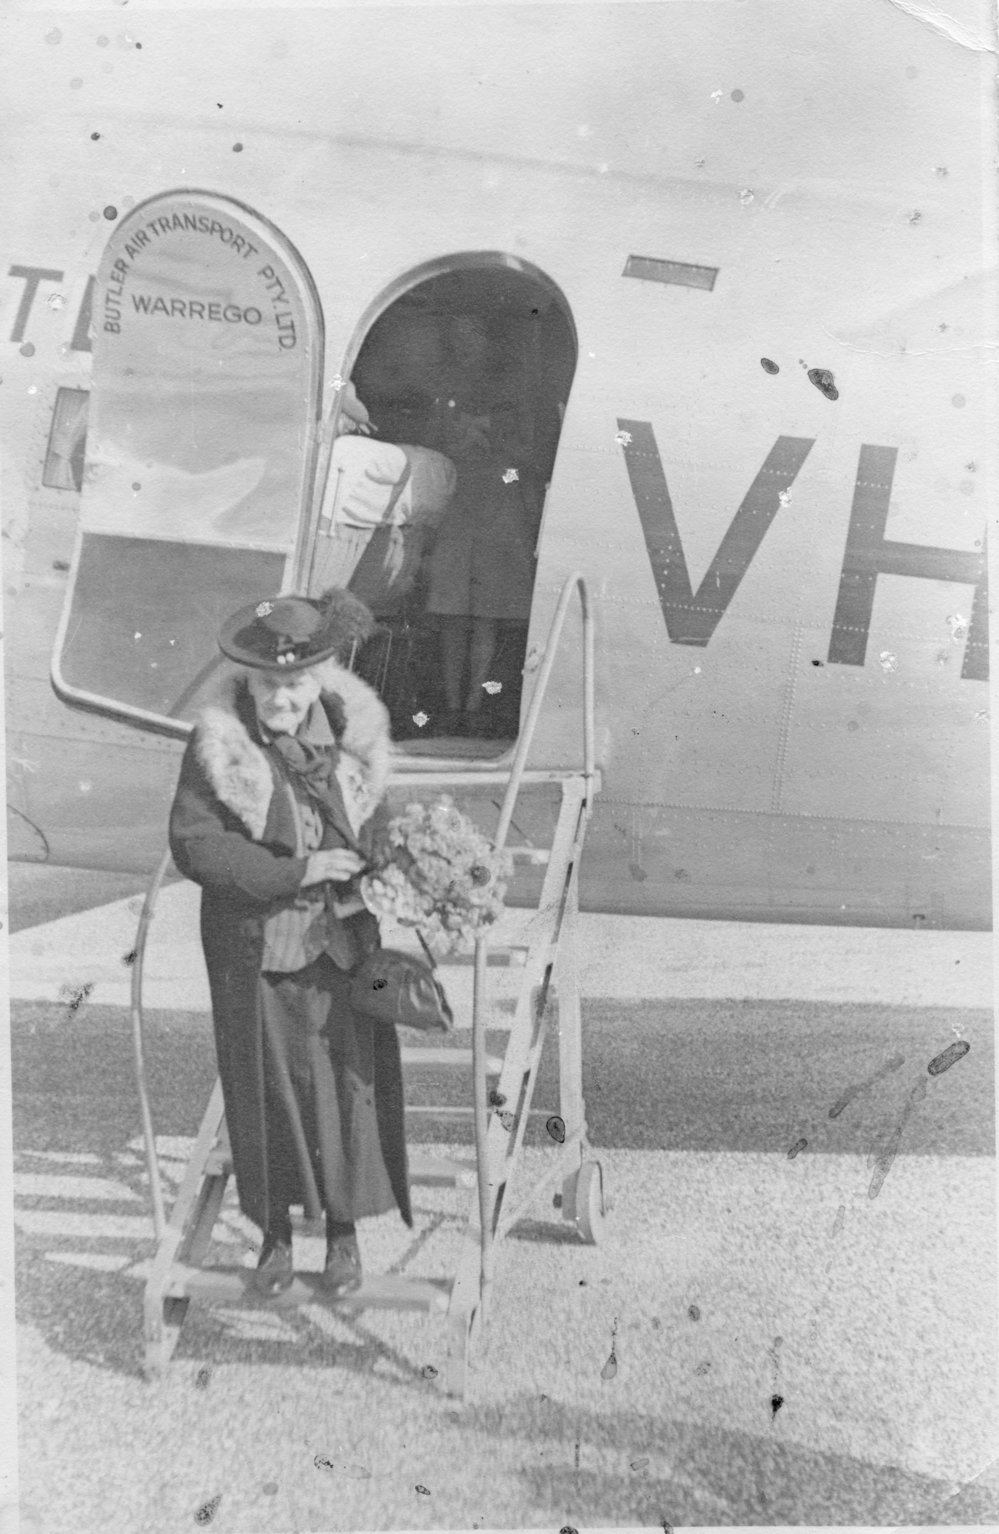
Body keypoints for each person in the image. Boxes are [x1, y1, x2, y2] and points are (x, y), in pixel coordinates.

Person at [168, 588, 410, 1299]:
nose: (281, 698)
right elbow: (196, 846)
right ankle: (273, 1238)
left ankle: (343, 1238)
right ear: (247, 679)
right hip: (258, 948)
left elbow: (376, 832)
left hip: (342, 949)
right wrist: (295, 871)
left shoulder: (353, 739)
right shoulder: (221, 749)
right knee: (267, 1090)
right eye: (269, 684)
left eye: (295, 683)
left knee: (346, 1090)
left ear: (320, 679)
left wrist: (401, 869)